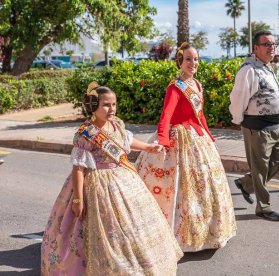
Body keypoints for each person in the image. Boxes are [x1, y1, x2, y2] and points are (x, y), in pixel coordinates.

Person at [41, 82, 182, 275]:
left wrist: (148, 147)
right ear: (93, 107)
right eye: (106, 105)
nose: (112, 109)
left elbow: (127, 141)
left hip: (123, 178)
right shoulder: (86, 133)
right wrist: (78, 199)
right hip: (96, 184)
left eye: (114, 104)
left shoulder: (116, 125)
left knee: (130, 228)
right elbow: (79, 169)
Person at [135, 42, 236, 252]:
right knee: (181, 187)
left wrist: (208, 135)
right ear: (180, 62)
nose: (193, 63)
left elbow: (199, 116)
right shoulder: (175, 87)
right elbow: (166, 116)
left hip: (198, 139)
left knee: (205, 186)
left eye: (196, 59)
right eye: (188, 59)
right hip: (179, 138)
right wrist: (163, 141)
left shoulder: (198, 85)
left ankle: (208, 231)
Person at [229, 31, 279, 222]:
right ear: (256, 48)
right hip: (257, 128)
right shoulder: (248, 70)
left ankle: (246, 184)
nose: (272, 48)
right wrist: (241, 122)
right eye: (267, 44)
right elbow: (238, 99)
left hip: (275, 126)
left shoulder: (267, 67)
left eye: (273, 44)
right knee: (260, 169)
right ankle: (264, 208)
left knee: (278, 161)